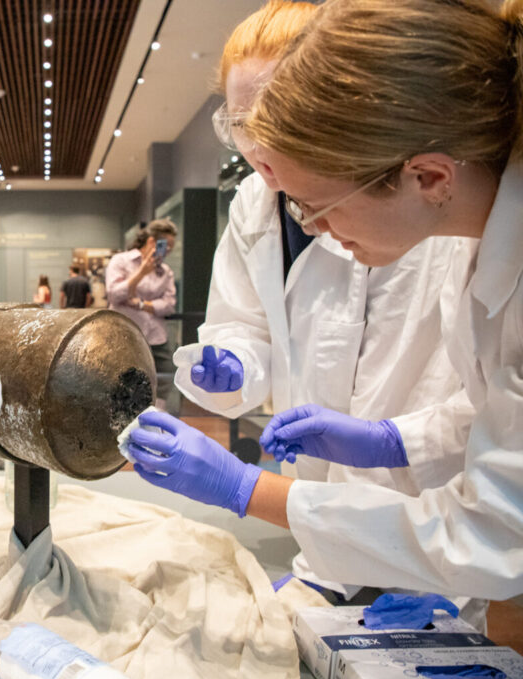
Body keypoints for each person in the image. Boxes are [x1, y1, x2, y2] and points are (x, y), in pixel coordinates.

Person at [126, 0, 523, 602]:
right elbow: (497, 404)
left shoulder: (475, 252)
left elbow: (493, 536)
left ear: (431, 179)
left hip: (437, 532)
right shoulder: (481, 238)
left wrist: (243, 488)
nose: (307, 225)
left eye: (318, 204)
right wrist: (393, 439)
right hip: (373, 522)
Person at [105, 220, 178, 408]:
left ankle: (155, 417)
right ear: (152, 242)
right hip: (125, 334)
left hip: (156, 336)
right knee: (124, 380)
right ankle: (124, 423)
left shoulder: (165, 271)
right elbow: (114, 294)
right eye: (166, 245)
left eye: (171, 247)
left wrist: (140, 304)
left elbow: (169, 305)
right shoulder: (121, 261)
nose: (168, 250)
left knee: (164, 375)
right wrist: (141, 273)